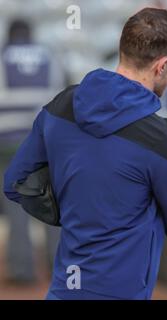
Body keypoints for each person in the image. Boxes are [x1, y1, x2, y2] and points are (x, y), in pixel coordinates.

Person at [3, 8, 167, 300]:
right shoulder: (166, 138)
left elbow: (16, 182)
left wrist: (75, 210)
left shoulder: (60, 106)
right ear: (163, 66)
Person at [0, 18, 64, 284]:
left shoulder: (3, 56)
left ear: (10, 34)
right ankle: (58, 266)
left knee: (17, 207)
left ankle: (23, 270)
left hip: (10, 143)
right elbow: (62, 97)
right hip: (45, 142)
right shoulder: (50, 57)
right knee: (51, 205)